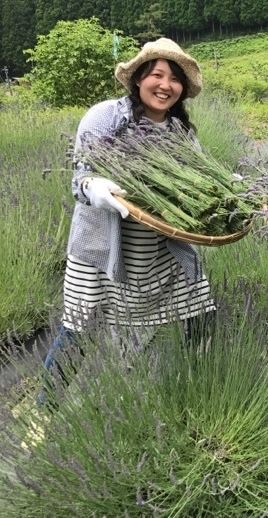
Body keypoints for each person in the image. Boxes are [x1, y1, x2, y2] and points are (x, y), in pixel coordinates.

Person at [39, 38, 216, 405]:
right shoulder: (105, 116)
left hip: (161, 247)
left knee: (199, 311)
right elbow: (79, 179)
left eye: (174, 78)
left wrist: (226, 192)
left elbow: (203, 180)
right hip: (102, 247)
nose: (165, 85)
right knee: (80, 329)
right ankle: (47, 406)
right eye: (157, 75)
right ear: (138, 79)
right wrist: (94, 186)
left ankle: (196, 390)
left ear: (183, 88)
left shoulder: (181, 132)